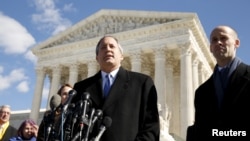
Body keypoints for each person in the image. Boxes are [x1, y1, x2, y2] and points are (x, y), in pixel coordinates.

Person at [72, 35, 160, 141]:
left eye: (112, 46)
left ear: (121, 56)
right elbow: (73, 126)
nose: (108, 49)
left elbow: (151, 127)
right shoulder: (81, 88)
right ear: (97, 58)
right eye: (103, 47)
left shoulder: (142, 83)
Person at [186, 25, 250, 140]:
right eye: (214, 40)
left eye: (224, 38)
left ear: (236, 43)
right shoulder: (201, 92)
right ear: (210, 48)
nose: (219, 42)